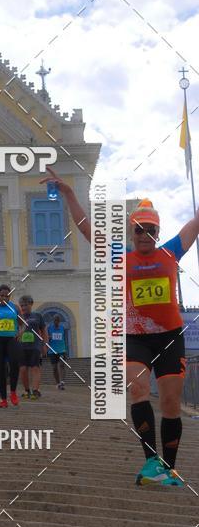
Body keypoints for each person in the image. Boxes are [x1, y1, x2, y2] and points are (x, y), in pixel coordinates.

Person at [43, 165, 199, 487]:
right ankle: (151, 462)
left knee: (171, 403)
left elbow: (195, 224)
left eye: (151, 230)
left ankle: (168, 468)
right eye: (140, 229)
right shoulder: (119, 255)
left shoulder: (171, 252)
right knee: (138, 389)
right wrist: (69, 193)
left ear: (158, 232)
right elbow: (87, 229)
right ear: (132, 231)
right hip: (134, 337)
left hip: (169, 337)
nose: (145, 235)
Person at [18, 295, 47, 400]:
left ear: (31, 304)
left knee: (35, 367)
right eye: (21, 305)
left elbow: (44, 331)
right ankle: (27, 390)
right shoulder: (18, 316)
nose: (23, 307)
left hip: (35, 346)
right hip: (21, 346)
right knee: (23, 369)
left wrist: (44, 345)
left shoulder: (38, 315)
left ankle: (35, 390)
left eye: (25, 305)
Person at [47, 314, 68, 390]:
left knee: (62, 365)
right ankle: (58, 383)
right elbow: (46, 338)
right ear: (53, 320)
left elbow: (64, 338)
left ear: (59, 321)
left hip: (62, 350)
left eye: (58, 320)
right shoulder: (49, 328)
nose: (56, 321)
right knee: (54, 368)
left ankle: (62, 381)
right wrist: (49, 338)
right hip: (52, 351)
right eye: (55, 320)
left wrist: (65, 349)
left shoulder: (62, 328)